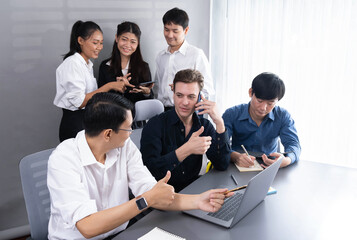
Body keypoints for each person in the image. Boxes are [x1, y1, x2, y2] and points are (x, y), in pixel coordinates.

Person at [47, 92, 232, 240]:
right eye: (128, 128)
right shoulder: (64, 159)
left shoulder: (124, 146)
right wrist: (145, 200)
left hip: (120, 234)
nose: (131, 133)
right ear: (108, 134)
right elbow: (87, 227)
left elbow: (152, 192)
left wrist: (198, 201)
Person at [141, 69, 230, 192]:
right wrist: (186, 150)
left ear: (200, 97)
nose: (185, 102)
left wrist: (219, 123)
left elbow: (222, 164)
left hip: (194, 190)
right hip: (163, 195)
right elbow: (150, 172)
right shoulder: (155, 125)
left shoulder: (204, 126)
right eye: (179, 95)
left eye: (191, 96)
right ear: (173, 93)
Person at [53, 20, 133, 142]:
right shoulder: (72, 64)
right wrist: (109, 85)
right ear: (80, 41)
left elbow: (90, 95)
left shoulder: (87, 64)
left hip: (88, 121)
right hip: (74, 124)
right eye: (95, 43)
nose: (99, 47)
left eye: (101, 43)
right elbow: (79, 102)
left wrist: (114, 85)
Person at [222, 72, 301, 168]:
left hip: (269, 166)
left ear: (277, 101)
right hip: (238, 165)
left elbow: (294, 145)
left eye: (270, 103)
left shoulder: (282, 116)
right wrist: (235, 157)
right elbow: (220, 146)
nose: (263, 108)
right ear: (251, 92)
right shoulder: (232, 114)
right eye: (259, 101)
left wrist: (286, 160)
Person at [153, 7, 215, 111]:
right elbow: (157, 89)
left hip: (187, 111)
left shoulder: (196, 54)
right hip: (163, 112)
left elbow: (207, 89)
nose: (170, 35)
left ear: (186, 30)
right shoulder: (160, 56)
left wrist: (184, 90)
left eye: (175, 31)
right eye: (166, 29)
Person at [98, 21, 153, 105]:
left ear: (137, 43)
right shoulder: (105, 66)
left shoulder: (143, 67)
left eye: (133, 42)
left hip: (137, 116)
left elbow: (149, 100)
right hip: (111, 115)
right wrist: (116, 86)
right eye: (124, 39)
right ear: (117, 38)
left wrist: (147, 93)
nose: (127, 45)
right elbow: (100, 97)